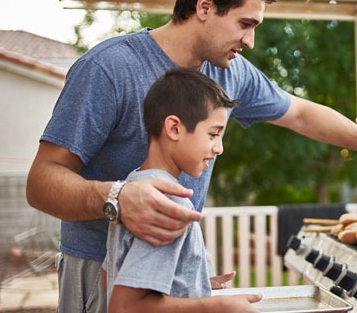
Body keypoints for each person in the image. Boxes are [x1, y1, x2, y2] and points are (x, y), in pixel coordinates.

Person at [27, 0, 357, 313]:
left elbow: (302, 114)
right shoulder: (109, 69)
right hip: (100, 273)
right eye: (245, 23)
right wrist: (118, 197)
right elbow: (41, 182)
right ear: (205, 6)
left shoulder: (228, 72)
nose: (250, 41)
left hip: (168, 279)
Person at [104, 67, 260, 312]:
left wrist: (195, 283)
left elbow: (110, 277)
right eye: (213, 134)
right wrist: (216, 306)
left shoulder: (134, 186)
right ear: (174, 128)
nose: (219, 148)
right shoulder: (168, 203)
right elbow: (126, 306)